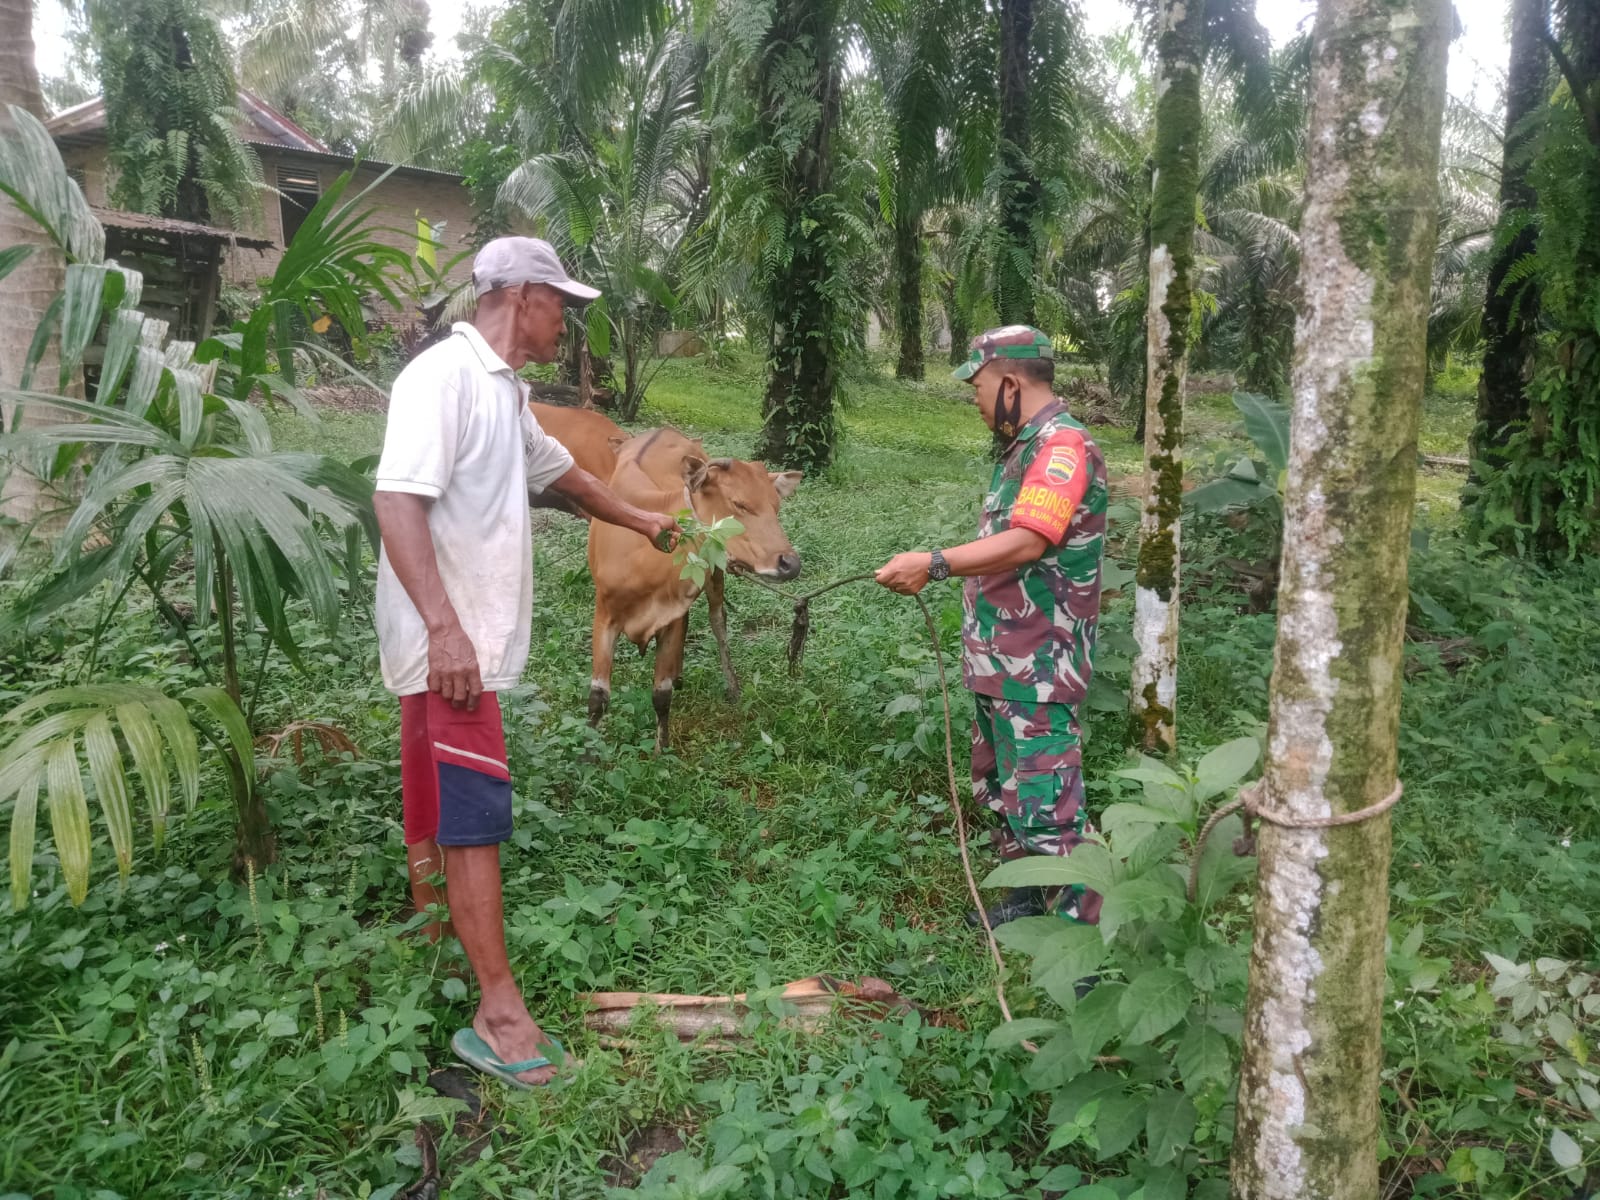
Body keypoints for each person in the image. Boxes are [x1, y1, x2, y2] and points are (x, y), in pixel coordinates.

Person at [372, 237, 679, 1088]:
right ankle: (497, 1016)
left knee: (440, 803)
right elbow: (396, 499)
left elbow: (567, 477)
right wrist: (445, 630)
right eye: (561, 305)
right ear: (519, 296)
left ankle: (439, 952)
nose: (567, 323)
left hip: (457, 643)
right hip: (452, 648)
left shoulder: (504, 392)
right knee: (476, 818)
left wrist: (645, 522)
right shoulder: (442, 378)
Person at [875, 325, 1107, 929]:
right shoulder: (1023, 450)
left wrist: (934, 563)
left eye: (976, 387)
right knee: (1004, 788)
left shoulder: (1061, 447)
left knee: (1049, 806)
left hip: (1039, 665)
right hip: (1002, 659)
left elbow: (1028, 540)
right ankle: (1025, 897)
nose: (974, 401)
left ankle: (1084, 944)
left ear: (1009, 382)